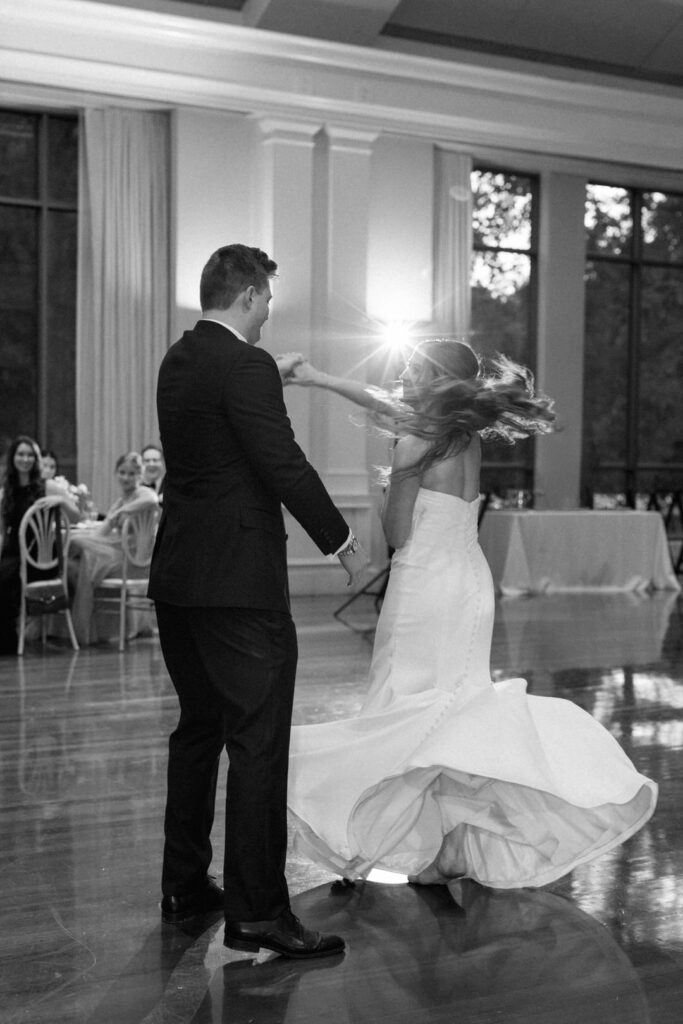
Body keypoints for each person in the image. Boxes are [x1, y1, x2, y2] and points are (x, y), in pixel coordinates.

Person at [287, 339, 658, 890]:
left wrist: (396, 477)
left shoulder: (414, 442)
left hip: (424, 590)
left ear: (432, 380)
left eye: (412, 368)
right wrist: (317, 377)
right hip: (468, 584)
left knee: (408, 713)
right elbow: (381, 401)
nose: (402, 374)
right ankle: (442, 851)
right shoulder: (462, 435)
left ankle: (387, 836)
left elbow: (397, 535)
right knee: (450, 715)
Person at [148, 243, 368, 960]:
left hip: (180, 577)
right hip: (239, 585)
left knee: (198, 730)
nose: (270, 310)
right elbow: (280, 461)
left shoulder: (178, 358)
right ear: (245, 295)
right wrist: (339, 539)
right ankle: (257, 913)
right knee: (257, 741)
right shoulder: (246, 364)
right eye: (268, 298)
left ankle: (184, 885)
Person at [68, 451, 158, 645]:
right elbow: (102, 533)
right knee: (81, 554)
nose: (126, 477)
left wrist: (125, 510)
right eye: (122, 472)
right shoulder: (119, 501)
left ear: (139, 476)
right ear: (116, 473)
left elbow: (152, 500)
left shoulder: (141, 493)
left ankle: (82, 630)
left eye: (132, 473)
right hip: (119, 556)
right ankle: (86, 629)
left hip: (136, 562)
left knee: (83, 553)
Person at [0, 435, 79, 654]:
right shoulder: (6, 490)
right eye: (20, 454)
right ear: (13, 458)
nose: (25, 459)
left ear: (35, 459)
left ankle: (7, 641)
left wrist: (63, 501)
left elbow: (76, 517)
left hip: (41, 558)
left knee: (4, 577)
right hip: (14, 553)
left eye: (29, 455)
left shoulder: (48, 486)